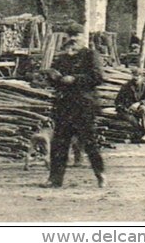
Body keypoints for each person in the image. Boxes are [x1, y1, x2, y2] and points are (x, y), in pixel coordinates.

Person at [41, 28, 106, 188]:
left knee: (89, 143)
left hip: (84, 105)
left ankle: (100, 174)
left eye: (76, 36)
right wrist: (52, 77)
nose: (73, 39)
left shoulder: (91, 55)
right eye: (70, 36)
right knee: (59, 144)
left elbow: (98, 77)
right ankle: (55, 179)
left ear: (83, 38)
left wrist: (75, 79)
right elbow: (55, 79)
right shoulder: (62, 58)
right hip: (64, 106)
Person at [115, 67, 145, 143]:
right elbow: (118, 101)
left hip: (137, 109)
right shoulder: (126, 86)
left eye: (138, 76)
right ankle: (140, 135)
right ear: (132, 76)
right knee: (133, 120)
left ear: (141, 77)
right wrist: (125, 108)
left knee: (143, 109)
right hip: (126, 110)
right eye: (134, 76)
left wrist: (139, 103)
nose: (136, 78)